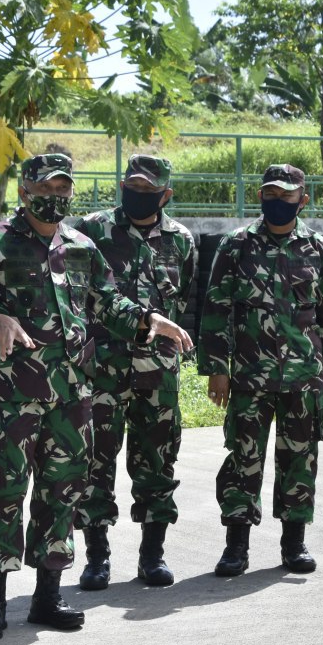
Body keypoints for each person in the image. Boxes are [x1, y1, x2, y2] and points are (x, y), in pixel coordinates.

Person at [0, 153, 192, 639]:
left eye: (63, 190)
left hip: (72, 396)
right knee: (1, 495)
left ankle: (46, 598)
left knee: (60, 493)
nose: (55, 198)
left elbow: (109, 301)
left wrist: (149, 321)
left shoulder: (80, 247)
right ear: (25, 191)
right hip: (12, 397)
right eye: (45, 189)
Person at [197, 164, 323, 576]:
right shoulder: (236, 245)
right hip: (248, 372)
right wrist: (216, 367)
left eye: (286, 196)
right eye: (270, 195)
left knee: (300, 458)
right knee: (243, 457)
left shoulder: (319, 248)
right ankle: (236, 546)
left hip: (303, 374)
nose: (277, 202)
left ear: (303, 199)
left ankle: (293, 545)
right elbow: (216, 308)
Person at [71, 155, 197, 589]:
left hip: (158, 374)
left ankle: (152, 556)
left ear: (166, 193)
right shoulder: (91, 231)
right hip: (101, 370)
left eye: (148, 189)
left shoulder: (181, 240)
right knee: (94, 464)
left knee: (158, 463)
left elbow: (184, 301)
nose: (138, 194)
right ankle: (97, 558)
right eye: (132, 185)